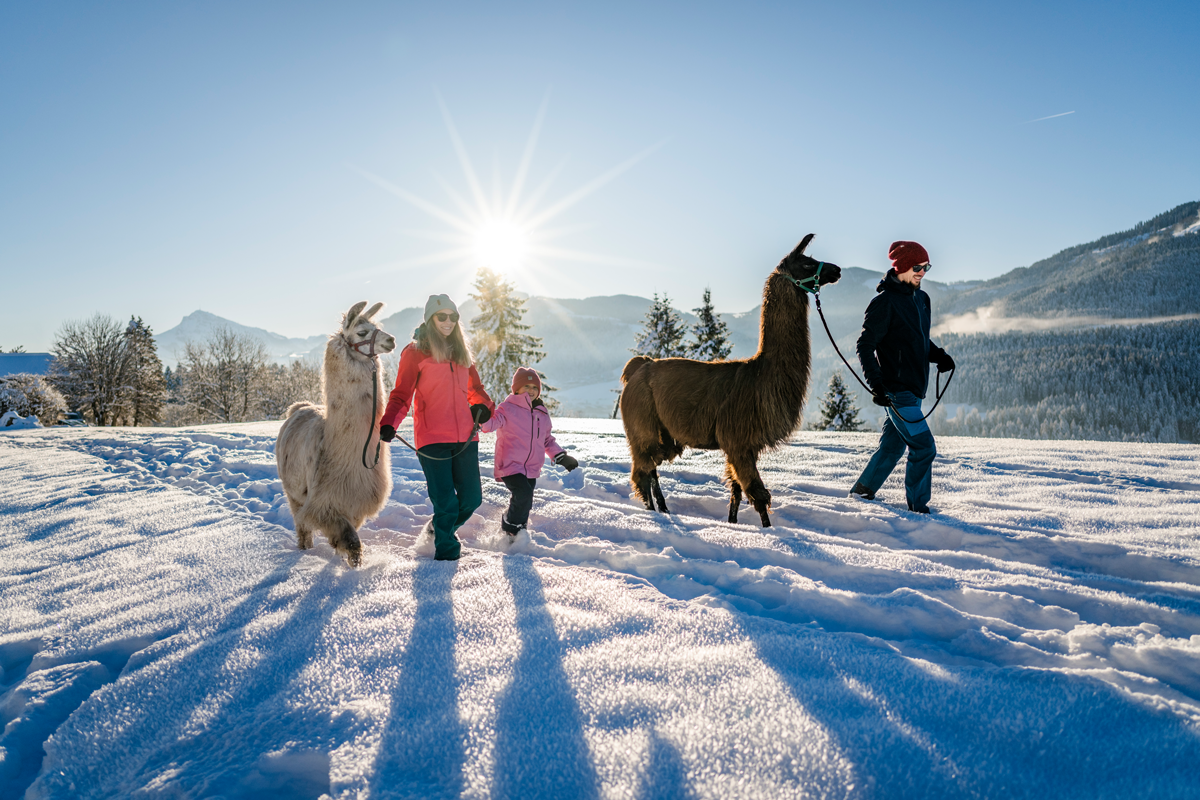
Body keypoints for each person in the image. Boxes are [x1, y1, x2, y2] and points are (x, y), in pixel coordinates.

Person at [379, 294, 494, 560]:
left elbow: (477, 391)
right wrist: (389, 422)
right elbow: (401, 394)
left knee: (471, 499)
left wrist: (483, 408)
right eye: (442, 316)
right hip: (432, 439)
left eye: (453, 316)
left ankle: (438, 529)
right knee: (446, 503)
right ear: (431, 319)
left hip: (466, 437)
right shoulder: (415, 352)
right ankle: (446, 557)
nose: (448, 321)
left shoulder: (462, 353)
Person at [851, 241, 955, 514]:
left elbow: (917, 340)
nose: (922, 272)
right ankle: (918, 508)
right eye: (917, 267)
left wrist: (939, 356)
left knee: (891, 448)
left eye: (926, 267)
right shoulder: (884, 303)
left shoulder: (921, 299)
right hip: (897, 391)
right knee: (924, 448)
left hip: (915, 390)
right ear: (901, 267)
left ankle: (861, 492)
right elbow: (865, 345)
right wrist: (878, 384)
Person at [480, 366, 579, 535]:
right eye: (526, 386)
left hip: (532, 468)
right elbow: (490, 424)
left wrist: (560, 456)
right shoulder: (507, 408)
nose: (531, 390)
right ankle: (510, 527)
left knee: (525, 500)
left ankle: (520, 531)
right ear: (516, 388)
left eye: (534, 387)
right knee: (523, 494)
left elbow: (546, 439)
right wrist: (481, 417)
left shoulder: (542, 413)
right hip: (510, 465)